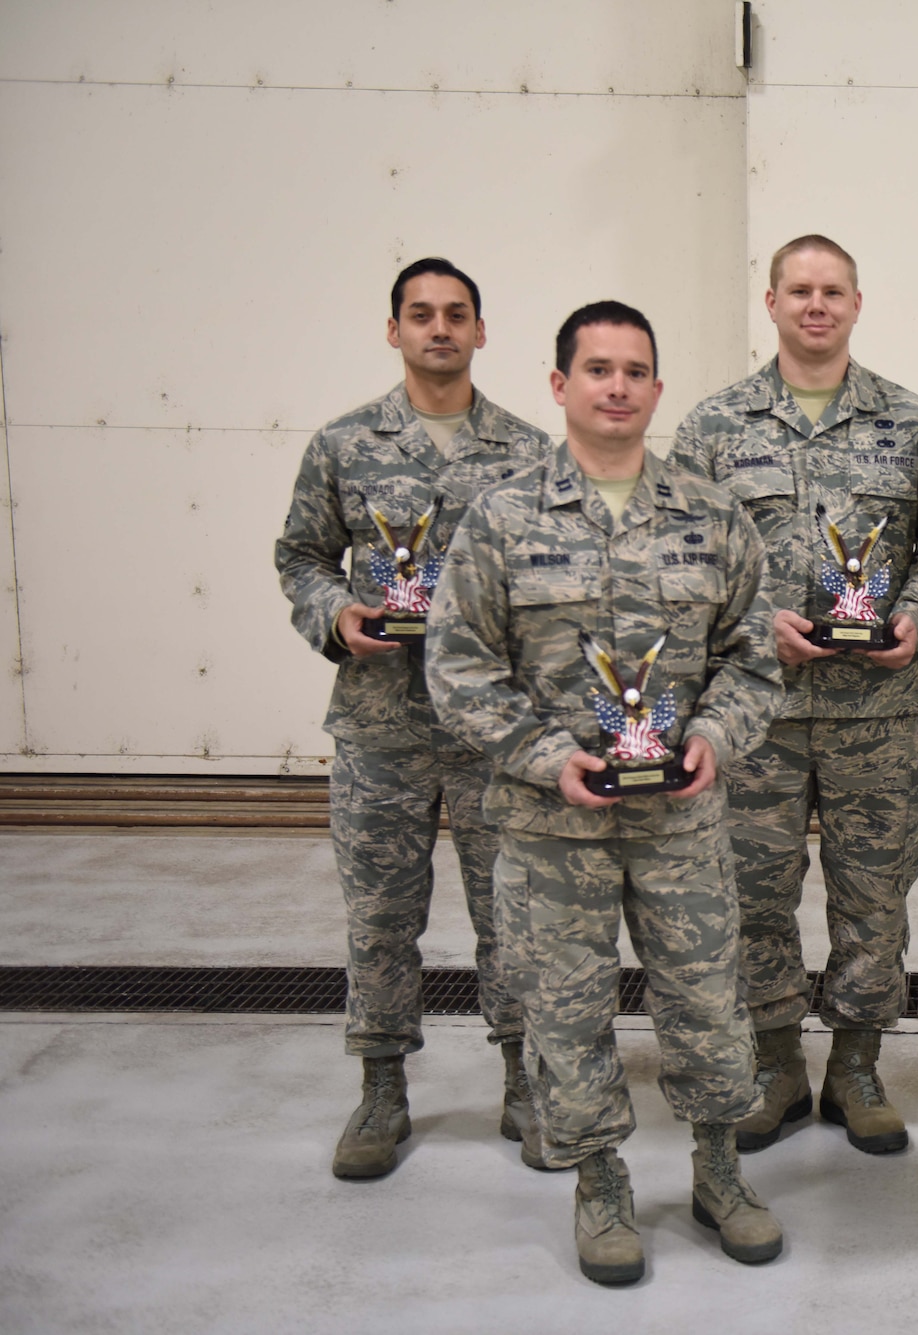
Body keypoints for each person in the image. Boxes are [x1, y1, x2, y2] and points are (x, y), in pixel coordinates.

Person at [424, 302, 785, 1284]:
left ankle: (719, 1171)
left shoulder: (712, 518)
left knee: (709, 999)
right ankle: (598, 1181)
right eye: (597, 370)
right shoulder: (501, 521)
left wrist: (712, 738)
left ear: (656, 391)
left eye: (634, 371)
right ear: (559, 386)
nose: (616, 386)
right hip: (552, 829)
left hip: (681, 822)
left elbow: (754, 663)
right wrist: (546, 758)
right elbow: (455, 669)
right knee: (566, 1010)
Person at [673, 235, 918, 1157]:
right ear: (770, 303)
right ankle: (773, 1065)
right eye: (798, 290)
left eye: (831, 291)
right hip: (754, 712)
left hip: (874, 712)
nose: (816, 305)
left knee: (874, 895)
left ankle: (857, 1066)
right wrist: (756, 625)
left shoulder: (913, 424)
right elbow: (682, 558)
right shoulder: (713, 429)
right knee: (754, 892)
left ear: (856, 302)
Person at [274, 257, 550, 1180]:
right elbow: (302, 556)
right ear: (392, 330)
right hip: (379, 721)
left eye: (457, 314)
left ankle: (523, 1075)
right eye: (420, 314)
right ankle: (383, 1086)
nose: (439, 328)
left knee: (510, 911)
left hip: (490, 731)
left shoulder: (527, 453)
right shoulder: (346, 444)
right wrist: (333, 616)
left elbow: (553, 579)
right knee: (380, 915)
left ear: (481, 331)